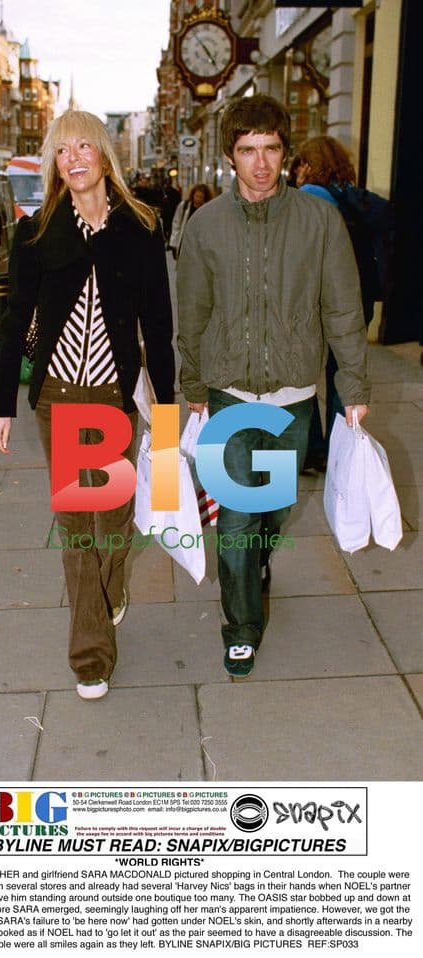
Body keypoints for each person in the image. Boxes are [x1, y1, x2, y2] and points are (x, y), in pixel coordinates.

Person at [177, 95, 369, 679]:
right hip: (231, 392)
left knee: (274, 512)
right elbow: (192, 313)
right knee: (237, 516)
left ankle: (257, 564)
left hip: (292, 396)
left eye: (270, 149)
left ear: (284, 152)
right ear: (230, 157)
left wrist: (354, 386)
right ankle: (240, 626)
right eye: (246, 151)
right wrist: (192, 383)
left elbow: (342, 310)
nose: (260, 163)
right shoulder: (206, 226)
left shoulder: (319, 222)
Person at [0, 110, 175, 701]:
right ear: (54, 162)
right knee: (76, 524)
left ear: (103, 155)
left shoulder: (140, 226)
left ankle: (111, 588)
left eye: (83, 147)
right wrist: (1, 404)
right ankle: (90, 656)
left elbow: (158, 324)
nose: (72, 157)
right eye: (60, 149)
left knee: (113, 515)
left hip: (116, 393)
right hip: (61, 396)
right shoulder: (38, 231)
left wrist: (166, 410)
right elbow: (16, 318)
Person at [296, 135, 372, 469]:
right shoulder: (354, 198)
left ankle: (313, 448)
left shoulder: (309, 196)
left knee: (303, 373)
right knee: (343, 376)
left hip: (317, 299)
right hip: (356, 298)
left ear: (309, 165)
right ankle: (341, 451)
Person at [169, 183, 212, 259]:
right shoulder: (184, 206)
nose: (198, 199)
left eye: (201, 197)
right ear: (193, 195)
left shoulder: (208, 209)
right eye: (196, 196)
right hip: (184, 242)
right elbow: (176, 224)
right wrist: (174, 243)